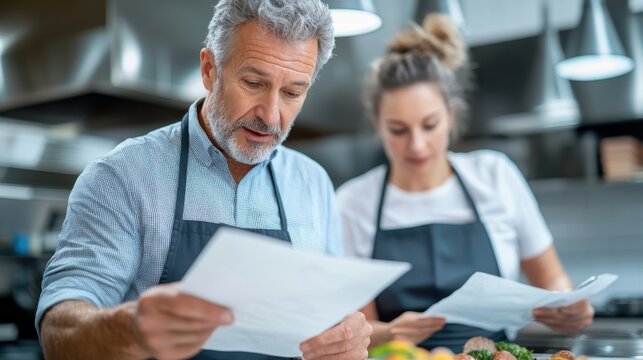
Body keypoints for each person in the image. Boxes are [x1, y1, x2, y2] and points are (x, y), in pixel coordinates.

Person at [36, 1, 372, 359]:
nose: (271, 115)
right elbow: (59, 332)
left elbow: (326, 321)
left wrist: (344, 343)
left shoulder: (313, 184)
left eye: (292, 92)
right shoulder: (122, 176)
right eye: (254, 83)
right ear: (210, 69)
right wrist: (130, 329)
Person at [335, 14, 594, 353]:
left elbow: (554, 282)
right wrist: (390, 332)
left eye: (429, 125)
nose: (416, 144)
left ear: (452, 116)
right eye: (398, 130)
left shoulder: (495, 176)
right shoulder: (352, 202)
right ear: (377, 125)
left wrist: (568, 309)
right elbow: (362, 328)